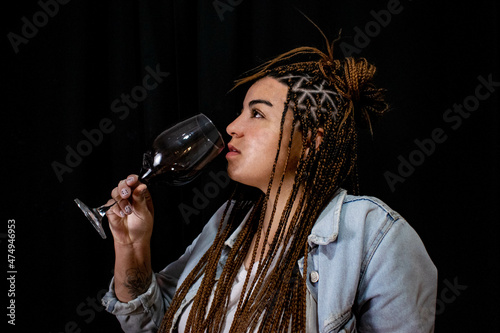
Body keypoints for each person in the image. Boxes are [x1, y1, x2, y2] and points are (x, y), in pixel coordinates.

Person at [100, 36, 437, 332]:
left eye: (257, 114)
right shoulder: (227, 222)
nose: (232, 126)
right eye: (241, 111)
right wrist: (132, 246)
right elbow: (153, 323)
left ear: (310, 142)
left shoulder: (375, 234)